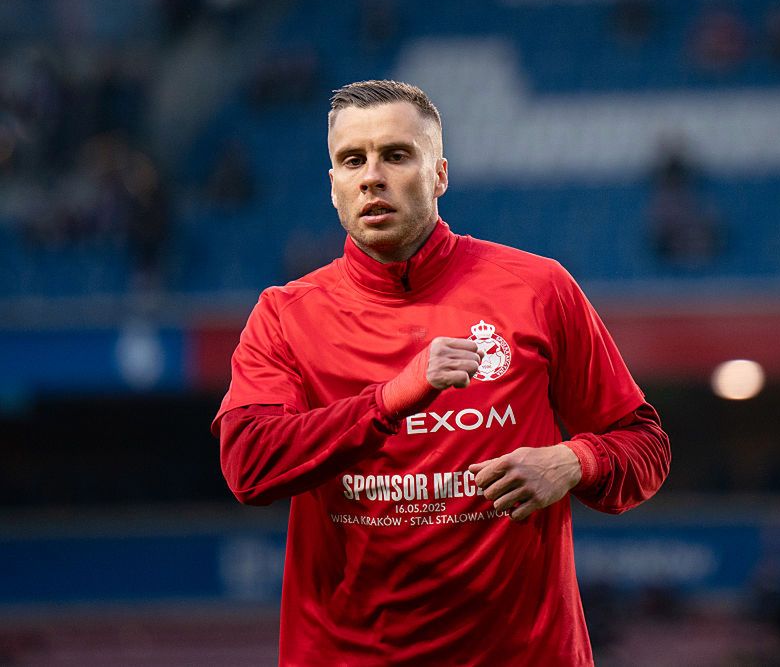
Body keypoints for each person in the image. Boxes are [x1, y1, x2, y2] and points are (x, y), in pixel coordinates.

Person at [212, 79, 671, 666]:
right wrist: (390, 399)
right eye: (352, 160)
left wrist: (573, 461)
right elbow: (248, 466)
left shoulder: (538, 289)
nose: (372, 177)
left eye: (396, 155)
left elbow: (645, 447)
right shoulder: (286, 314)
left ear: (440, 175)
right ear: (333, 187)